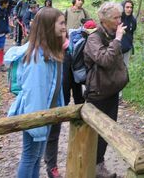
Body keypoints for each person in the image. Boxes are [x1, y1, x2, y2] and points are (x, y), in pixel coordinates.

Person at [5, 7, 66, 178]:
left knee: (36, 157)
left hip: (44, 115)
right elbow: (35, 95)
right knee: (30, 157)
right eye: (61, 23)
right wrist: (38, 125)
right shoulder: (36, 59)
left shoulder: (48, 53)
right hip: (37, 117)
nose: (64, 27)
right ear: (48, 26)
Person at [44, 20, 96, 178]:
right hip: (51, 100)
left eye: (64, 25)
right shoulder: (44, 54)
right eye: (60, 25)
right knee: (46, 134)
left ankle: (51, 165)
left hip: (69, 86)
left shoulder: (70, 49)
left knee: (55, 130)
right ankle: (49, 164)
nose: (63, 28)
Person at [84, 2, 129, 178]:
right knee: (95, 133)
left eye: (120, 17)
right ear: (103, 20)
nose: (120, 21)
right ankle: (90, 167)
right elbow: (105, 60)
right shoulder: (93, 38)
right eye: (116, 18)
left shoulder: (111, 34)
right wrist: (117, 40)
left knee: (107, 132)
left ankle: (98, 166)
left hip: (111, 91)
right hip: (98, 94)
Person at [120, 0, 137, 70]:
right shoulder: (117, 19)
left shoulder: (133, 20)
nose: (129, 9)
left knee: (125, 69)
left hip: (127, 49)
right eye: (127, 7)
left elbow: (132, 33)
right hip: (116, 50)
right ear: (122, 7)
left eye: (131, 7)